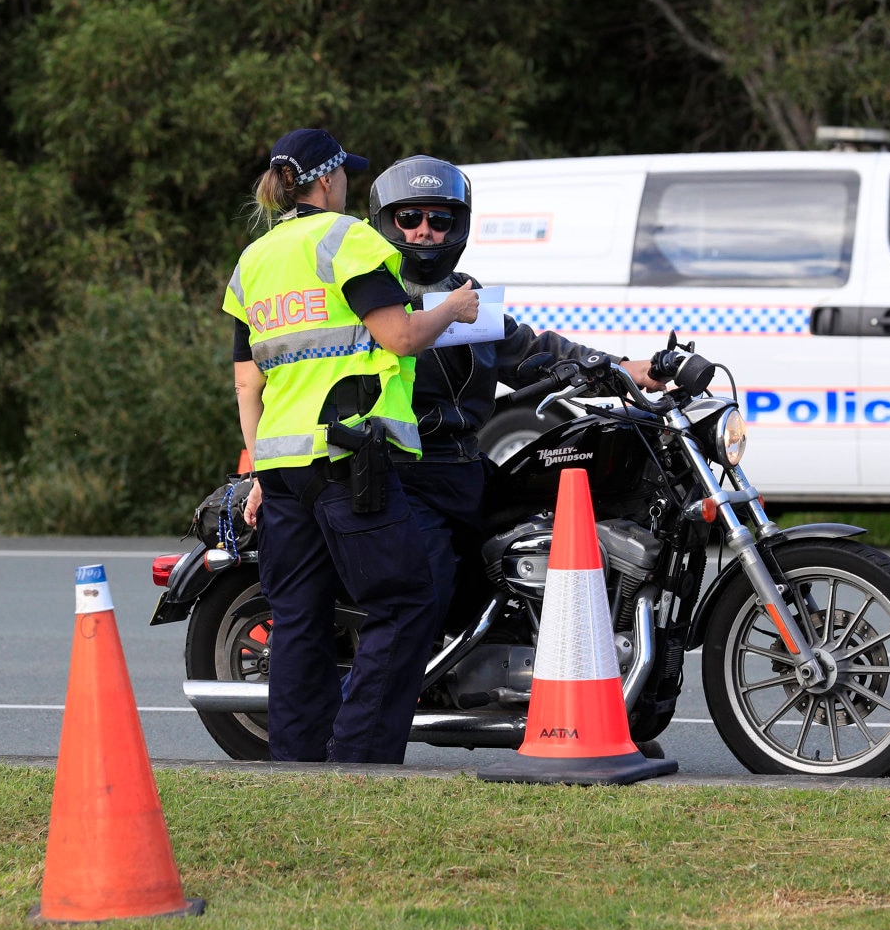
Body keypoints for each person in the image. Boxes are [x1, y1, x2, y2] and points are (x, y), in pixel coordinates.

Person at [224, 128, 479, 763]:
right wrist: (452, 309)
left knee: (301, 621)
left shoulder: (252, 261)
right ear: (328, 180)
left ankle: (297, 764)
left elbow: (245, 382)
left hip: (281, 469)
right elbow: (398, 337)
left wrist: (258, 469)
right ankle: (359, 757)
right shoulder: (348, 240)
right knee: (404, 603)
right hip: (348, 458)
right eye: (346, 178)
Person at [365, 155, 665, 624]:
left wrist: (621, 368)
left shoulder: (463, 293)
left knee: (528, 542)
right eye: (410, 218)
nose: (425, 231)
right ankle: (401, 687)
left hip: (463, 464)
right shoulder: (372, 296)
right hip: (403, 471)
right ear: (386, 222)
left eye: (439, 219)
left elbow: (526, 351)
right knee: (426, 592)